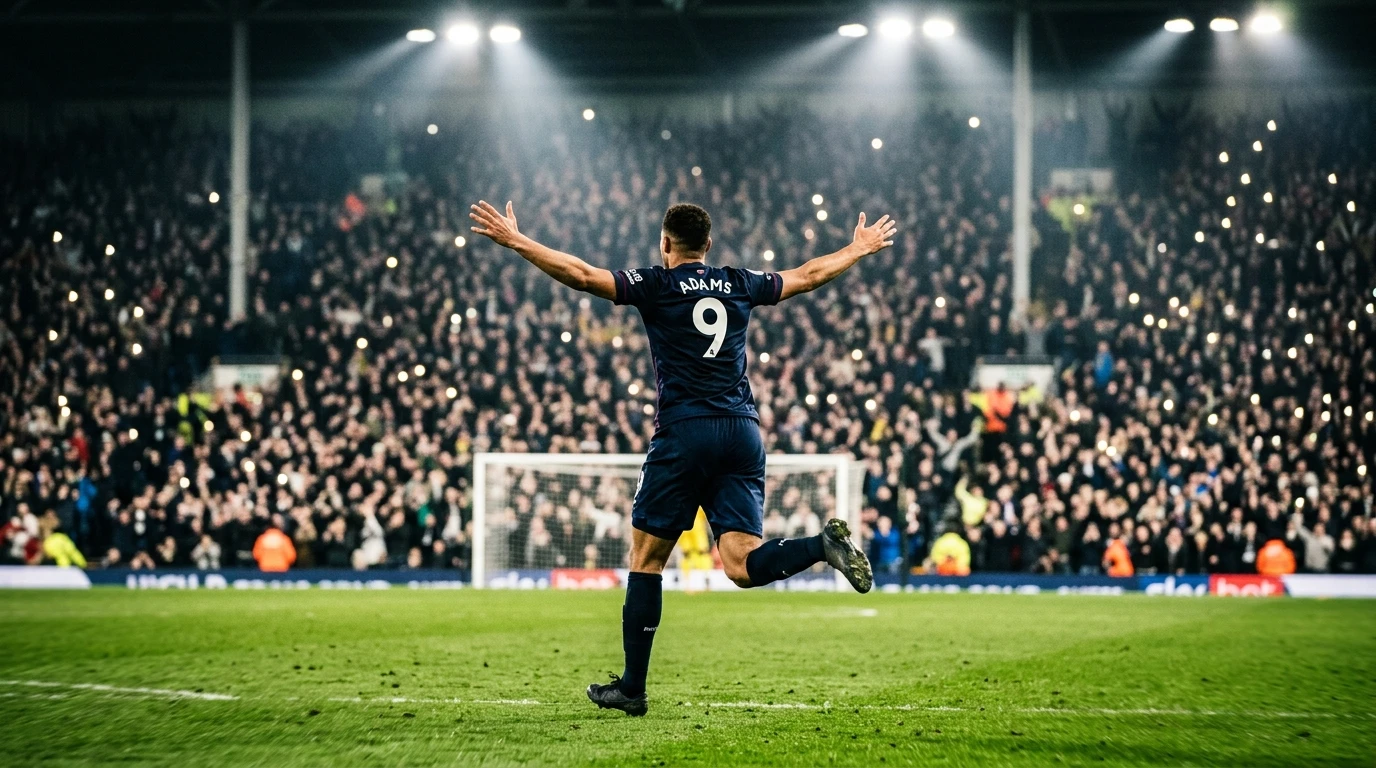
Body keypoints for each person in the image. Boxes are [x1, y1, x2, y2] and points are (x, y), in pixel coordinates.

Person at [469, 200, 891, 717]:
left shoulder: (656, 284)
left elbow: (581, 275)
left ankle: (633, 687)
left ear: (665, 244)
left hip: (684, 432)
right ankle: (820, 547)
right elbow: (805, 276)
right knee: (739, 564)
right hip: (742, 432)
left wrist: (518, 241)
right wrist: (858, 247)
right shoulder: (739, 282)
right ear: (708, 246)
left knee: (647, 561)